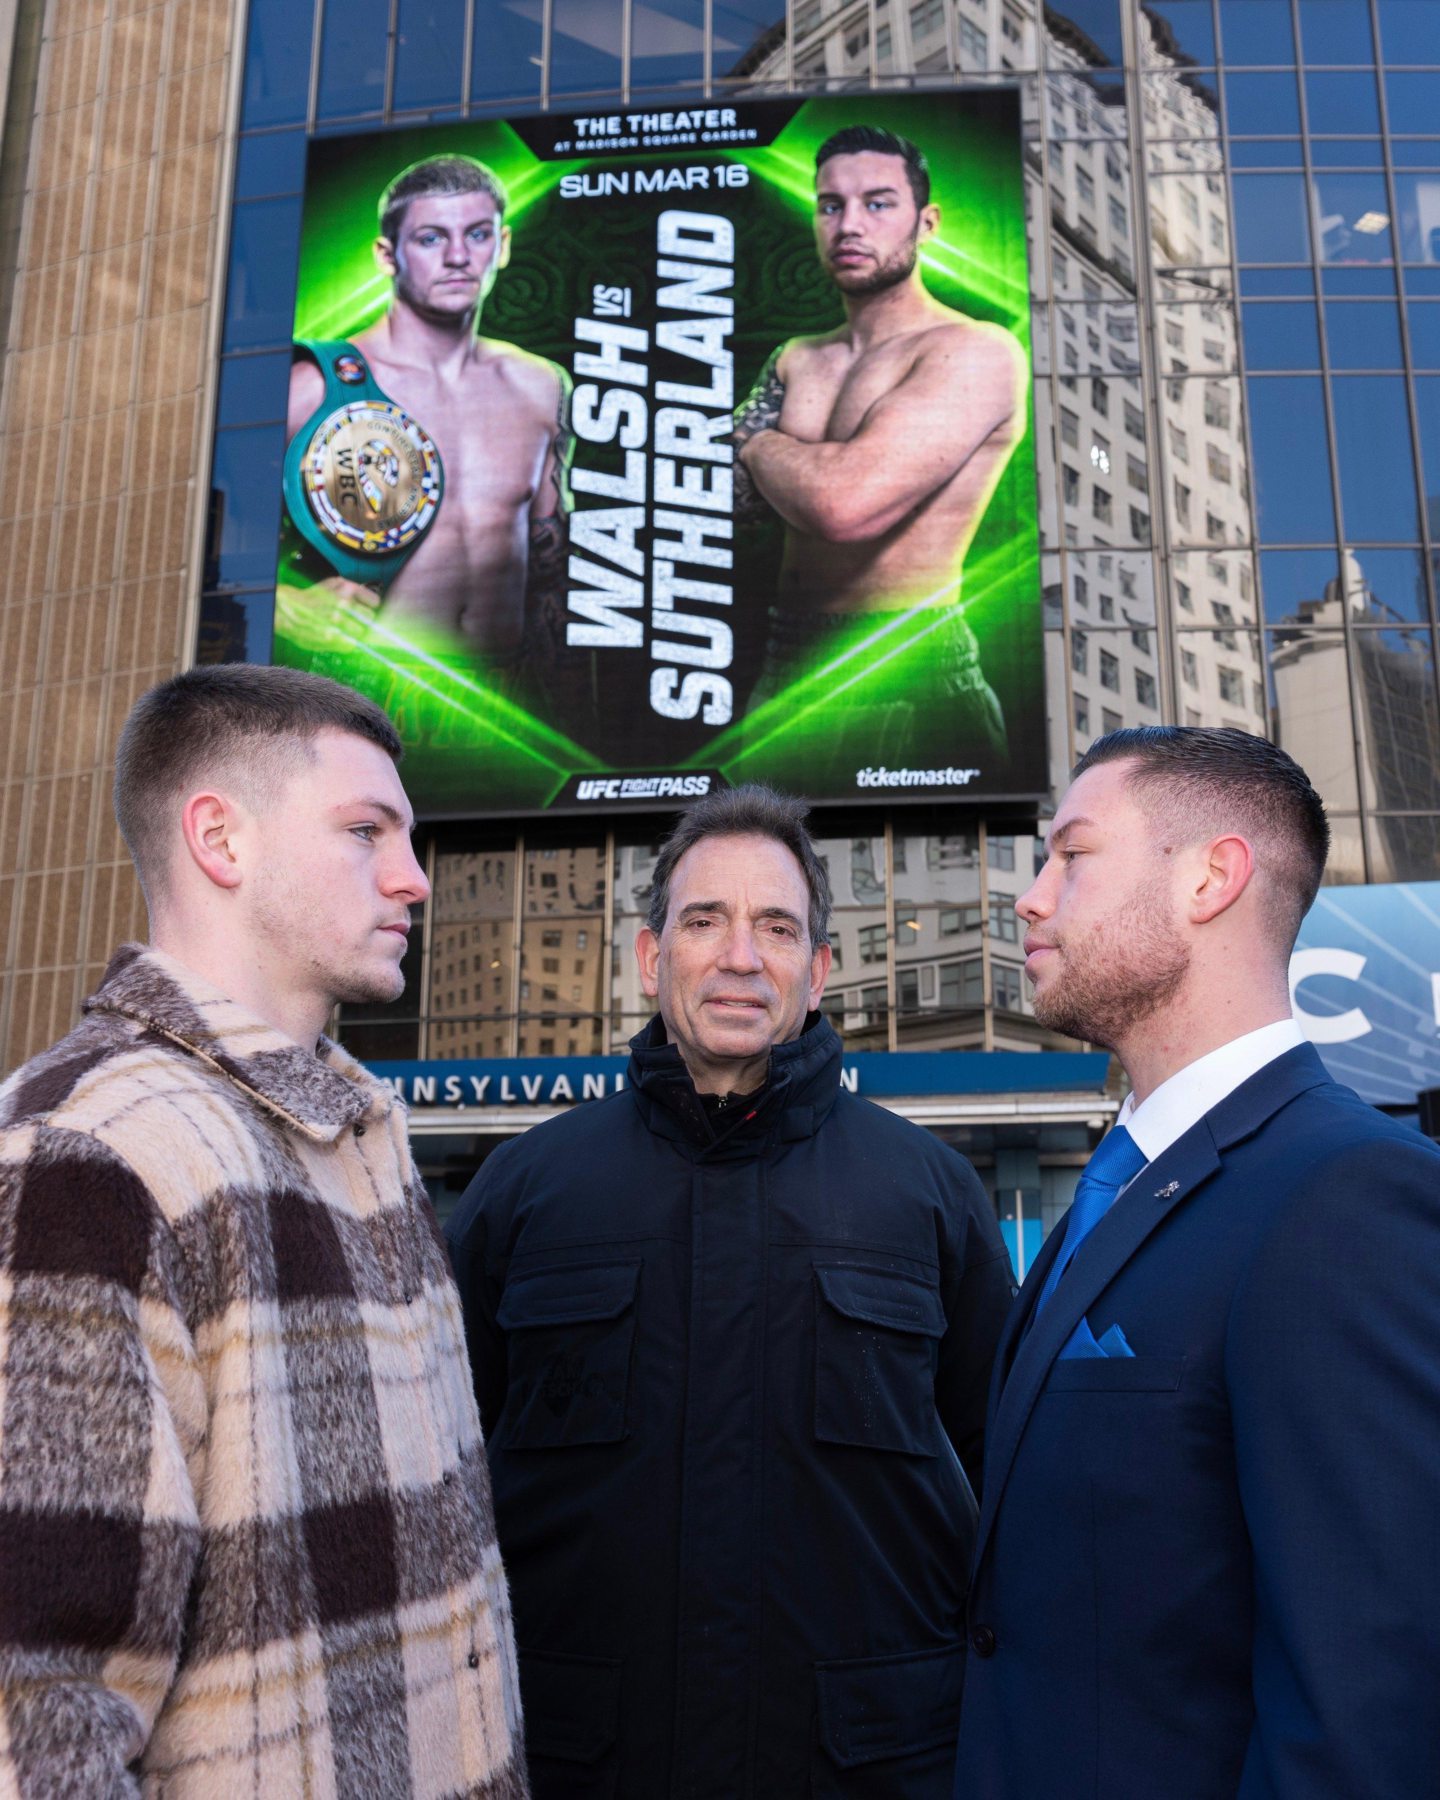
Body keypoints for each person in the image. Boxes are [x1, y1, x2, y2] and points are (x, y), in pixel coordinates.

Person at [0, 665, 527, 1797]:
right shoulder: (87, 1150)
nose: (412, 877)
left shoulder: (359, 1135)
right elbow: (36, 1715)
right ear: (219, 840)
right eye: (364, 831)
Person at [446, 785, 1015, 1798]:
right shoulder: (523, 1194)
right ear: (649, 955)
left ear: (821, 968)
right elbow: (436, 1490)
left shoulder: (932, 1196)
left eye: (777, 927)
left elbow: (1015, 1493)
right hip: (579, 1764)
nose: (741, 956)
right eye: (704, 921)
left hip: (865, 1768)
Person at [954, 726, 1440, 1799]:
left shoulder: (1346, 1198)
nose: (1032, 898)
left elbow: (1366, 1709)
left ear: (1212, 878)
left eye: (1072, 856)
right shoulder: (1120, 1179)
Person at [732, 125, 1027, 782]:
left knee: (932, 880)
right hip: (783, 666)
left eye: (878, 203)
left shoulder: (975, 350)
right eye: (830, 205)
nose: (848, 225)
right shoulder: (797, 357)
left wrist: (757, 444)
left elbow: (842, 505)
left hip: (912, 668)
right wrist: (765, 460)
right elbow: (725, 506)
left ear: (927, 223)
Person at [284, 155, 571, 678]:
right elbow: (213, 537)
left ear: (502, 246)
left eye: (478, 235)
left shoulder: (541, 385)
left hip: (506, 696)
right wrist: (286, 607)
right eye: (432, 239)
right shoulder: (315, 384)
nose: (459, 256)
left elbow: (550, 564)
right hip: (369, 689)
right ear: (386, 255)